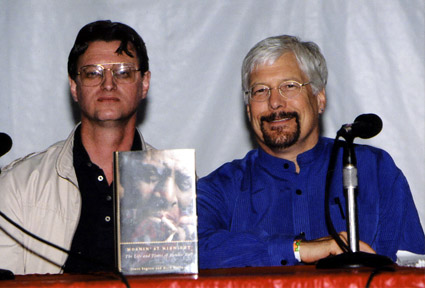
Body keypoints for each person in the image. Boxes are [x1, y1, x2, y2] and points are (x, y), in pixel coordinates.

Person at [196, 35, 425, 269]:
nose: (275, 102)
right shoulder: (221, 187)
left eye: (289, 86)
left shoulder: (373, 170)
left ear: (319, 98)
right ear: (248, 109)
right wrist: (296, 249)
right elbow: (188, 251)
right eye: (261, 90)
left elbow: (412, 267)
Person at [0, 20, 154, 274]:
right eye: (93, 72)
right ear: (74, 86)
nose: (108, 84)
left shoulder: (176, 183)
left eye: (123, 72)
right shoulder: (19, 185)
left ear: (144, 83)